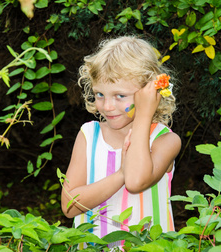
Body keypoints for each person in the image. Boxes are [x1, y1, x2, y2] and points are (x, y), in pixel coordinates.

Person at [61, 35, 181, 248]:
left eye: (120, 96)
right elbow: (69, 206)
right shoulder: (89, 135)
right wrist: (120, 175)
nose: (107, 106)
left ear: (148, 93)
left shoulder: (165, 141)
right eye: (100, 94)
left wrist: (144, 115)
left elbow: (136, 181)